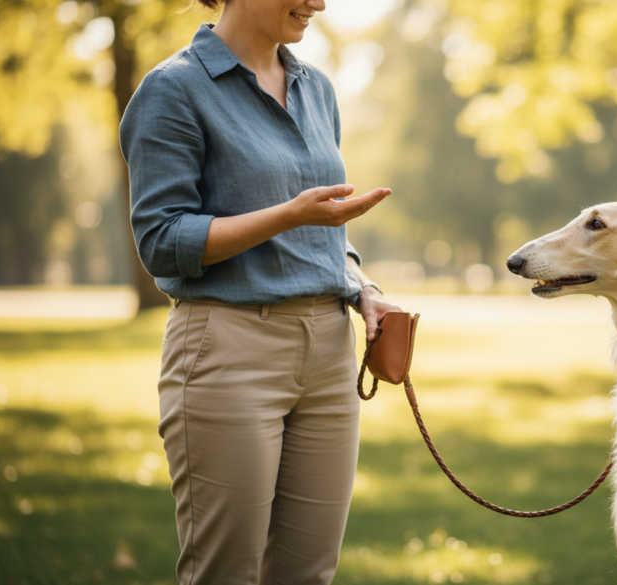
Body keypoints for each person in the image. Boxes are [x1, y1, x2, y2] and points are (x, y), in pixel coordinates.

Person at [119, 0, 400, 581]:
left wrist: (363, 287)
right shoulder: (173, 90)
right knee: (224, 574)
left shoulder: (316, 87)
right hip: (229, 349)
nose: (320, 4)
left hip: (328, 356)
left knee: (309, 575)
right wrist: (287, 216)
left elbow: (325, 230)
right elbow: (161, 240)